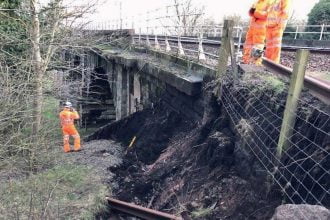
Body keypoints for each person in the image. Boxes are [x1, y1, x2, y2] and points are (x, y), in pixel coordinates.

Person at [242, 0, 272, 65]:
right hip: (252, 28)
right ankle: (246, 62)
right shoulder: (257, 2)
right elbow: (251, 13)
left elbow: (268, 14)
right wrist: (251, 11)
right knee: (248, 45)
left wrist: (255, 12)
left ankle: (256, 64)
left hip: (260, 29)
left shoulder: (270, 2)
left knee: (258, 47)